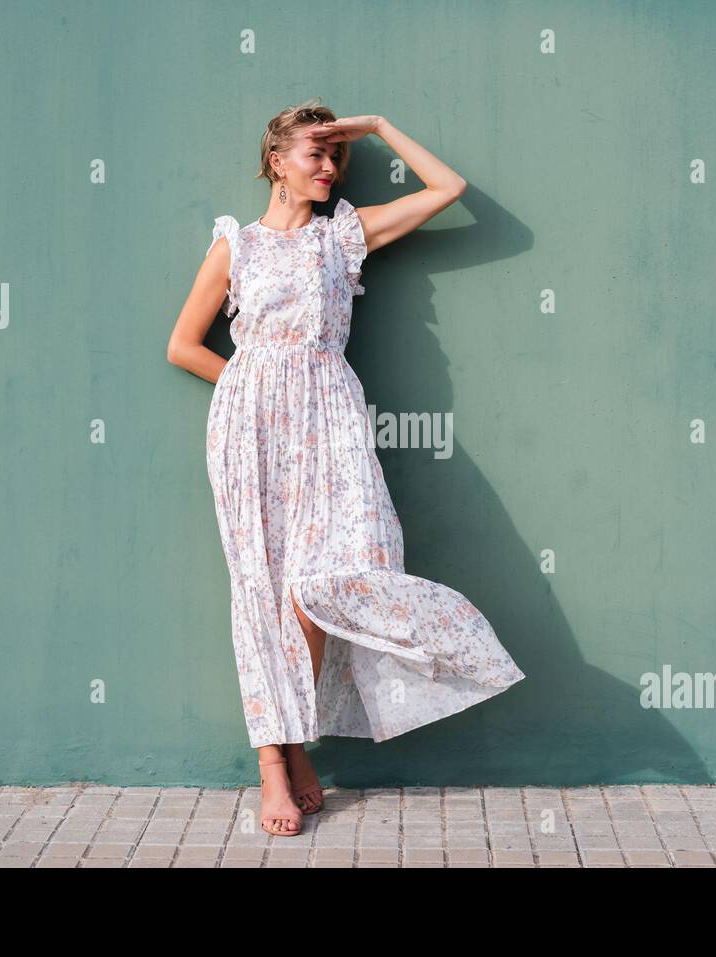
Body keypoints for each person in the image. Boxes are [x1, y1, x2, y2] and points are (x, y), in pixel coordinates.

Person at [167, 101, 525, 837]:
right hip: (251, 431)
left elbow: (447, 188)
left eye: (338, 157)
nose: (329, 167)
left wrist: (378, 127)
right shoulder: (237, 247)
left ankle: (297, 739)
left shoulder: (345, 237)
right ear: (275, 161)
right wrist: (253, 390)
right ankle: (278, 760)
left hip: (332, 422)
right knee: (262, 590)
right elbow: (184, 344)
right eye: (315, 154)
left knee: (330, 577)